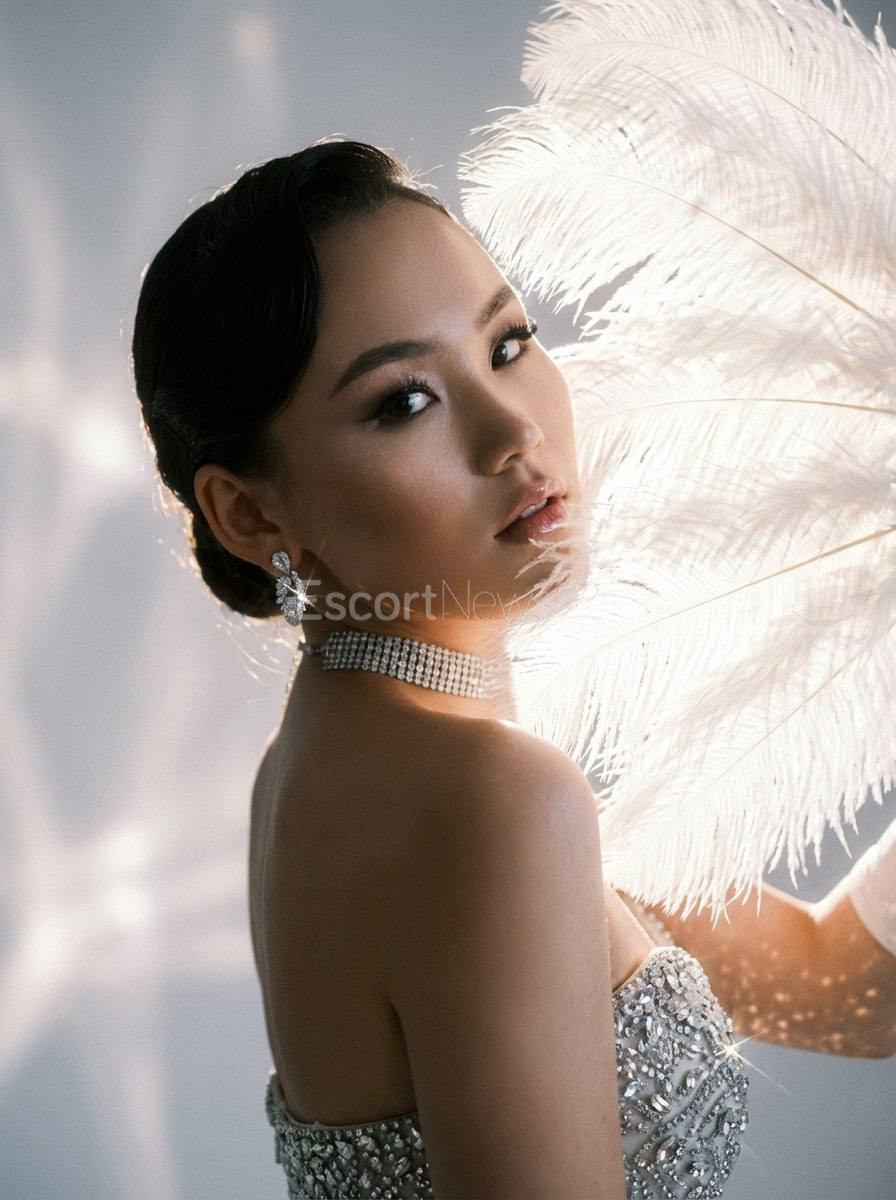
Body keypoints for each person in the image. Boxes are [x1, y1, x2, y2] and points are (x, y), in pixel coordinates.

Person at [130, 139, 891, 1200]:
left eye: (507, 343)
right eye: (403, 401)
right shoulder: (487, 799)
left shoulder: (336, 763)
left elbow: (840, 988)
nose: (513, 429)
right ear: (250, 514)